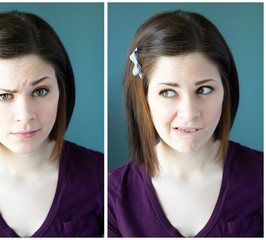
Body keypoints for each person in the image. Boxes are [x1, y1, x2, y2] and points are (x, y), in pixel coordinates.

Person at [0, 11, 104, 237]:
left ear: (62, 90)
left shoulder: (102, 177)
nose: (25, 115)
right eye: (4, 96)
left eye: (40, 91)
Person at [108, 10, 263, 237]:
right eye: (168, 92)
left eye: (204, 89)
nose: (189, 114)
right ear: (144, 98)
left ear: (225, 91)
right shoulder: (109, 196)